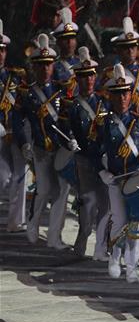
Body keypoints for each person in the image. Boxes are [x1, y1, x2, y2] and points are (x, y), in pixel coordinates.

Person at [16, 34, 77, 248]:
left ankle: (54, 237)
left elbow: (70, 119)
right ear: (34, 67)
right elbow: (17, 120)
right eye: (41, 65)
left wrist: (72, 139)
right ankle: (32, 226)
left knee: (62, 192)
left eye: (48, 65)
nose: (45, 69)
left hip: (60, 149)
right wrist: (24, 143)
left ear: (53, 66)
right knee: (43, 190)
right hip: (41, 149)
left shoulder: (62, 90)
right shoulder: (27, 93)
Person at [94, 64, 139, 283]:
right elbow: (94, 151)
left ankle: (132, 267)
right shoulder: (103, 122)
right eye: (117, 94)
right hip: (115, 179)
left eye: (125, 93)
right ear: (111, 96)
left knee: (136, 223)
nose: (122, 98)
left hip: (135, 179)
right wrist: (101, 171)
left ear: (131, 94)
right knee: (119, 219)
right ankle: (114, 258)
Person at [65, 47, 109, 258]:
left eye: (91, 75)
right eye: (84, 77)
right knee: (88, 203)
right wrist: (69, 141)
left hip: (104, 160)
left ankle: (101, 247)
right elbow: (64, 129)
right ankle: (81, 241)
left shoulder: (104, 102)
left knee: (106, 206)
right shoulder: (72, 106)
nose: (88, 80)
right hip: (84, 160)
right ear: (78, 79)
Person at [0, 22, 28, 232]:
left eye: (2, 50)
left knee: (21, 175)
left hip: (14, 131)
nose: (0, 55)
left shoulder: (15, 76)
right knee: (3, 178)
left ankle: (15, 221)